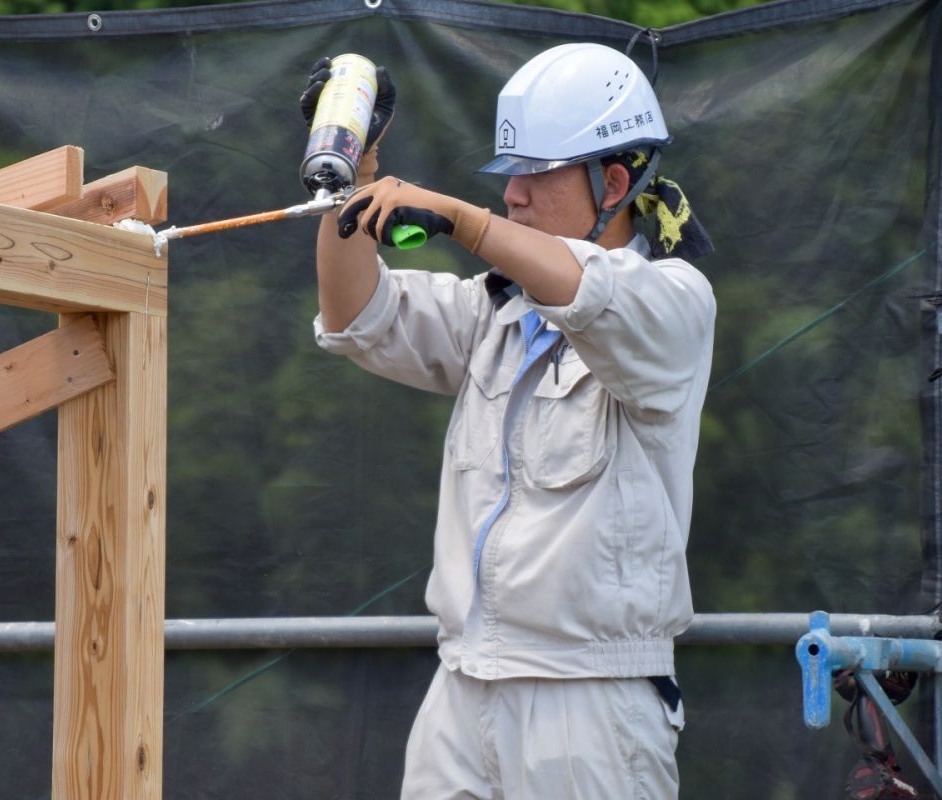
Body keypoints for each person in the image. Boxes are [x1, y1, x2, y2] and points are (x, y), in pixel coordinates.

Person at [303, 42, 716, 799]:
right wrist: (353, 187)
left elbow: (593, 295)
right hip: (462, 684)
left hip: (590, 703)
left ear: (613, 182)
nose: (513, 196)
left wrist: (461, 218)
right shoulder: (495, 310)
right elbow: (355, 312)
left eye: (534, 174)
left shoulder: (677, 300)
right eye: (507, 177)